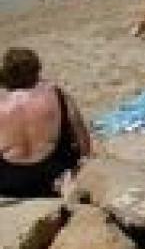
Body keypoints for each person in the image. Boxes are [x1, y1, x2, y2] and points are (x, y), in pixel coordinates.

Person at [0, 48, 93, 198]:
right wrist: (83, 165)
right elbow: (83, 140)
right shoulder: (57, 94)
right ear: (37, 71)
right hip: (52, 175)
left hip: (9, 182)